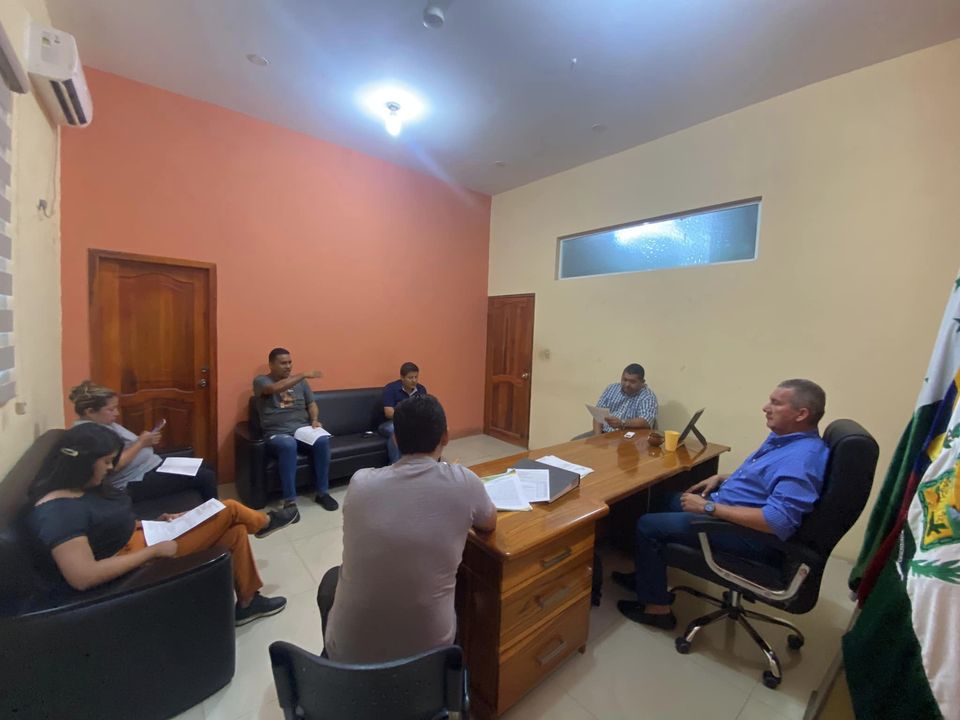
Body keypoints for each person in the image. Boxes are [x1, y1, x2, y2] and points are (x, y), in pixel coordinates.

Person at [26, 423, 298, 626]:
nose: (110, 468)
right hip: (137, 557)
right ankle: (265, 523)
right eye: (106, 462)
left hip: (145, 535)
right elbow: (83, 576)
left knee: (236, 531)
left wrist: (155, 521)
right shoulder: (58, 512)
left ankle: (249, 602)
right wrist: (152, 551)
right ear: (82, 462)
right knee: (230, 508)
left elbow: (109, 525)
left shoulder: (85, 487)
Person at [614, 379, 830, 629]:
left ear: (801, 414)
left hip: (748, 535)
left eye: (776, 403)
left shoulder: (802, 458)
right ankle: (646, 577)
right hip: (730, 508)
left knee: (648, 524)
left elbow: (777, 521)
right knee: (664, 499)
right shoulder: (786, 439)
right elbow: (764, 480)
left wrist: (708, 508)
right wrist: (723, 478)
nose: (765, 407)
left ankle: (657, 610)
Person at [321, 394, 497, 663]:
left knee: (331, 581)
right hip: (429, 660)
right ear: (446, 437)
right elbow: (489, 522)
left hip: (347, 659)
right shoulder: (464, 481)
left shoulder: (360, 483)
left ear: (395, 439)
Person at [68, 381, 219, 509]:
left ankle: (212, 514)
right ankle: (216, 518)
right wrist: (141, 443)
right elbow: (113, 465)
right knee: (205, 477)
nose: (117, 413)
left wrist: (147, 441)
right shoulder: (89, 434)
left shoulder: (104, 423)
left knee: (206, 465)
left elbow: (128, 446)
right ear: (89, 411)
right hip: (132, 480)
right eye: (111, 409)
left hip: (149, 465)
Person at [253, 347, 338, 512]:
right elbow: (273, 389)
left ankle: (322, 493)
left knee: (322, 441)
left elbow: (311, 404)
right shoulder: (261, 381)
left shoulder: (301, 383)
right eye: (283, 363)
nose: (288, 366)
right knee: (288, 444)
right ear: (271, 365)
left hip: (302, 430)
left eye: (290, 362)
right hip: (277, 432)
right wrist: (303, 374)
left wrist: (314, 420)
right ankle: (289, 502)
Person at [378, 361, 427, 464]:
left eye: (416, 377)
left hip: (413, 423)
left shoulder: (421, 389)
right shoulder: (391, 388)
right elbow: (389, 412)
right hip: (391, 423)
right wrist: (408, 418)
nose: (414, 380)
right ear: (402, 377)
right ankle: (396, 465)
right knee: (397, 431)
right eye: (410, 378)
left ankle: (423, 464)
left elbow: (424, 409)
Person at [593, 363, 659, 434]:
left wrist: (622, 423)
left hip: (629, 436)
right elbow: (598, 415)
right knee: (583, 439)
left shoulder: (648, 397)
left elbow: (646, 421)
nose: (627, 384)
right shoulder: (612, 389)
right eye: (625, 380)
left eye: (632, 382)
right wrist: (598, 437)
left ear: (642, 382)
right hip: (604, 433)